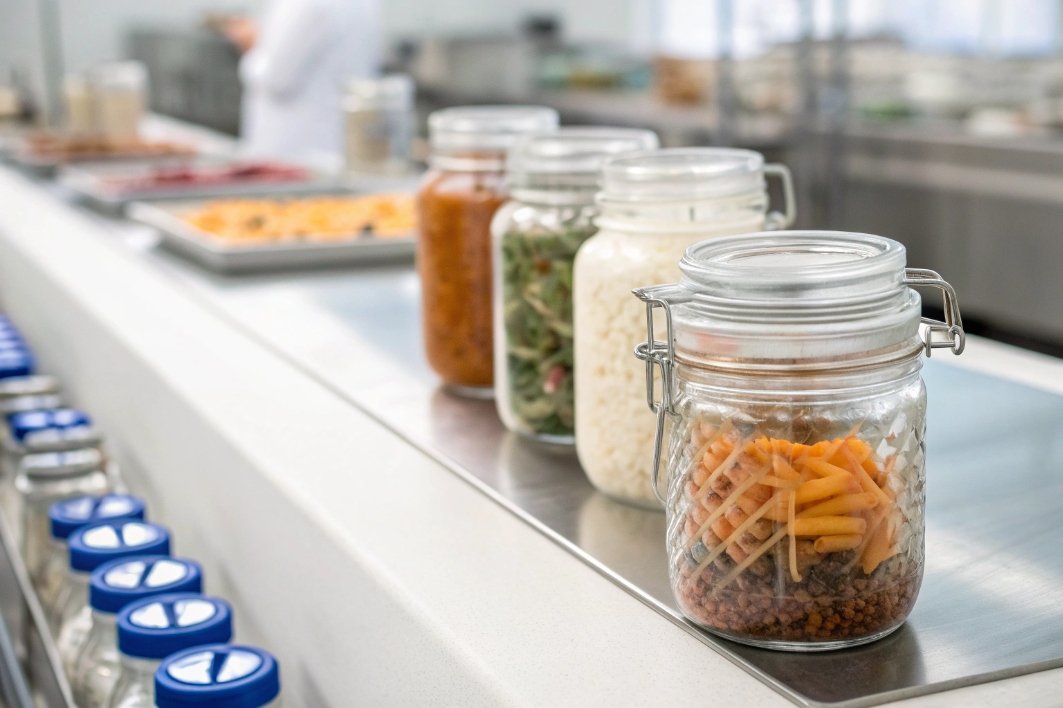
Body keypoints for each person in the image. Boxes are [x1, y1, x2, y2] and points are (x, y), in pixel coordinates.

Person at [222, 0, 380, 161]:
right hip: (337, 140)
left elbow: (277, 80)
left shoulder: (300, 4)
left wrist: (252, 45)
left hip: (292, 148)